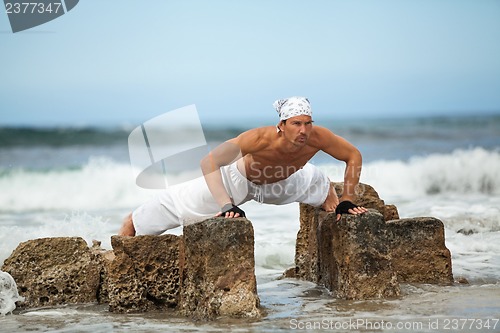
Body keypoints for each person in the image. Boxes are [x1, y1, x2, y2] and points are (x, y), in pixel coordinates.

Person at [119, 97, 367, 236]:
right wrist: (226, 204)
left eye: (308, 123)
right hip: (237, 181)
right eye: (296, 123)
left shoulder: (318, 137)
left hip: (283, 182)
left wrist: (347, 198)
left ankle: (326, 191)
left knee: (315, 179)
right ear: (281, 124)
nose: (303, 130)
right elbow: (210, 162)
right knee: (162, 211)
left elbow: (353, 155)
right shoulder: (258, 138)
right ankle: (130, 226)